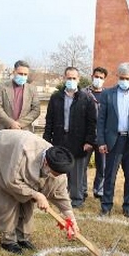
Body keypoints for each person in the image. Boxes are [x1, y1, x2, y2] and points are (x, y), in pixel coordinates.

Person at [0, 129, 79, 254]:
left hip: (21, 151)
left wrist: (71, 221)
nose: (55, 177)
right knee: (8, 197)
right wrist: (37, 195)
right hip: (3, 148)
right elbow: (12, 182)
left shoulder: (59, 169)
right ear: (46, 163)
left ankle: (22, 237)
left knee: (27, 199)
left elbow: (62, 197)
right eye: (53, 173)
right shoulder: (24, 154)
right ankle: (8, 240)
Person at [97, 62, 129, 218]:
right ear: (117, 77)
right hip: (114, 140)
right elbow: (101, 120)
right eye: (122, 78)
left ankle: (128, 206)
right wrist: (101, 141)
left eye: (128, 78)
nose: (124, 81)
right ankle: (106, 206)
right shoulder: (107, 94)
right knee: (110, 175)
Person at [43, 66, 96, 209]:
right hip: (60, 139)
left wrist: (89, 141)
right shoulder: (56, 98)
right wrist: (47, 140)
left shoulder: (86, 98)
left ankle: (77, 199)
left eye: (74, 78)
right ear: (64, 78)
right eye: (69, 78)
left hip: (78, 141)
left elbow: (92, 122)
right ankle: (59, 197)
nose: (71, 80)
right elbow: (50, 121)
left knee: (77, 172)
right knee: (59, 171)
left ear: (78, 79)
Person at [81, 66, 108, 200]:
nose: (98, 79)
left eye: (101, 78)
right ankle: (82, 190)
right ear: (92, 76)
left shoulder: (108, 95)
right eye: (96, 76)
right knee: (82, 165)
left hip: (102, 136)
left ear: (104, 80)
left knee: (102, 166)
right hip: (86, 136)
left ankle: (99, 190)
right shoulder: (83, 93)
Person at [0, 60, 41, 132]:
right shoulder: (3, 87)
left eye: (25, 74)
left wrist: (19, 124)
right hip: (5, 130)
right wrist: (10, 123)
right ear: (14, 72)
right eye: (20, 74)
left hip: (24, 131)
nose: (23, 76)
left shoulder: (32, 89)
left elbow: (36, 110)